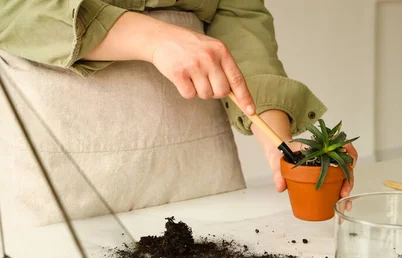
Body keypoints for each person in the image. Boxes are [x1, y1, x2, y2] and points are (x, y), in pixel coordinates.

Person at [0, 0, 357, 226]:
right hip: (60, 130)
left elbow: (238, 11)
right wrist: (151, 39)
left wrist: (278, 140)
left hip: (196, 152)